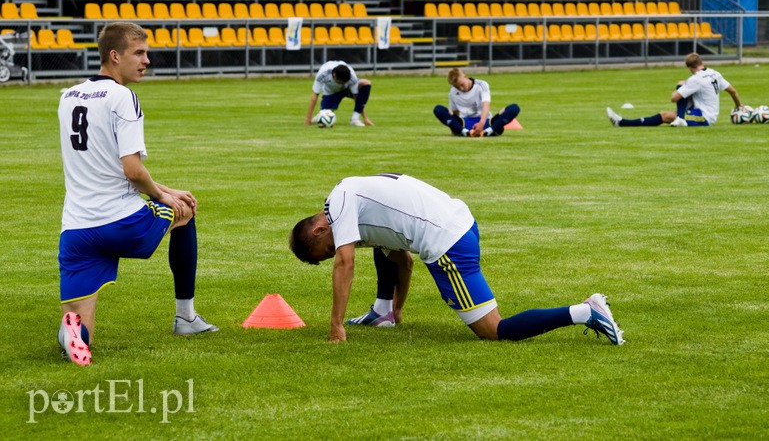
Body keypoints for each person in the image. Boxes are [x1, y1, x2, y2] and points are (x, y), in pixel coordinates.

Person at [289, 173, 625, 345]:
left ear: (318, 231)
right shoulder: (352, 199)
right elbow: (401, 260)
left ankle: (585, 311)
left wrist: (335, 328)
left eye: (327, 250)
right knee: (381, 248)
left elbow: (345, 263)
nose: (335, 253)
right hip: (459, 221)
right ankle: (382, 313)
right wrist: (396, 310)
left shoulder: (338, 206)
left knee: (494, 330)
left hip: (446, 242)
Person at [57, 22, 217, 366]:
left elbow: (107, 168)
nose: (147, 60)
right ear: (115, 56)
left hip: (76, 229)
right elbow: (131, 170)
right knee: (184, 211)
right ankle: (185, 317)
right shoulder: (123, 97)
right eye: (139, 53)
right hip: (121, 222)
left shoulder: (68, 96)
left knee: (80, 321)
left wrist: (163, 188)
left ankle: (72, 333)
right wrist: (165, 198)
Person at [606, 53, 743, 127]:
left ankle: (622, 122)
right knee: (666, 115)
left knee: (666, 113)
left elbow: (674, 98)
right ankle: (680, 118)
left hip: (704, 117)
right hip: (705, 112)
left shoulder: (696, 79)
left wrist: (679, 89)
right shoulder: (715, 73)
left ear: (689, 67)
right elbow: (733, 91)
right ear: (701, 63)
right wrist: (738, 106)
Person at [434, 68, 520, 137]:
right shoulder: (453, 91)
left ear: (465, 76)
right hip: (465, 124)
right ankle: (466, 132)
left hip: (486, 122)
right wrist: (454, 126)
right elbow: (455, 112)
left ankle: (487, 131)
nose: (461, 88)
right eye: (457, 87)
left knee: (514, 108)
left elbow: (486, 105)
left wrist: (481, 123)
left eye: (462, 84)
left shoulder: (481, 85)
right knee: (438, 109)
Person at [304, 60, 373, 127]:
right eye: (340, 82)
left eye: (344, 82)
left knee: (366, 83)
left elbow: (357, 97)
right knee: (326, 114)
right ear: (334, 75)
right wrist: (308, 118)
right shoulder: (323, 74)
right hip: (331, 92)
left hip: (347, 89)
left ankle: (354, 119)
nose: (342, 84)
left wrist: (365, 118)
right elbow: (314, 95)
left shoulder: (351, 77)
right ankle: (319, 116)